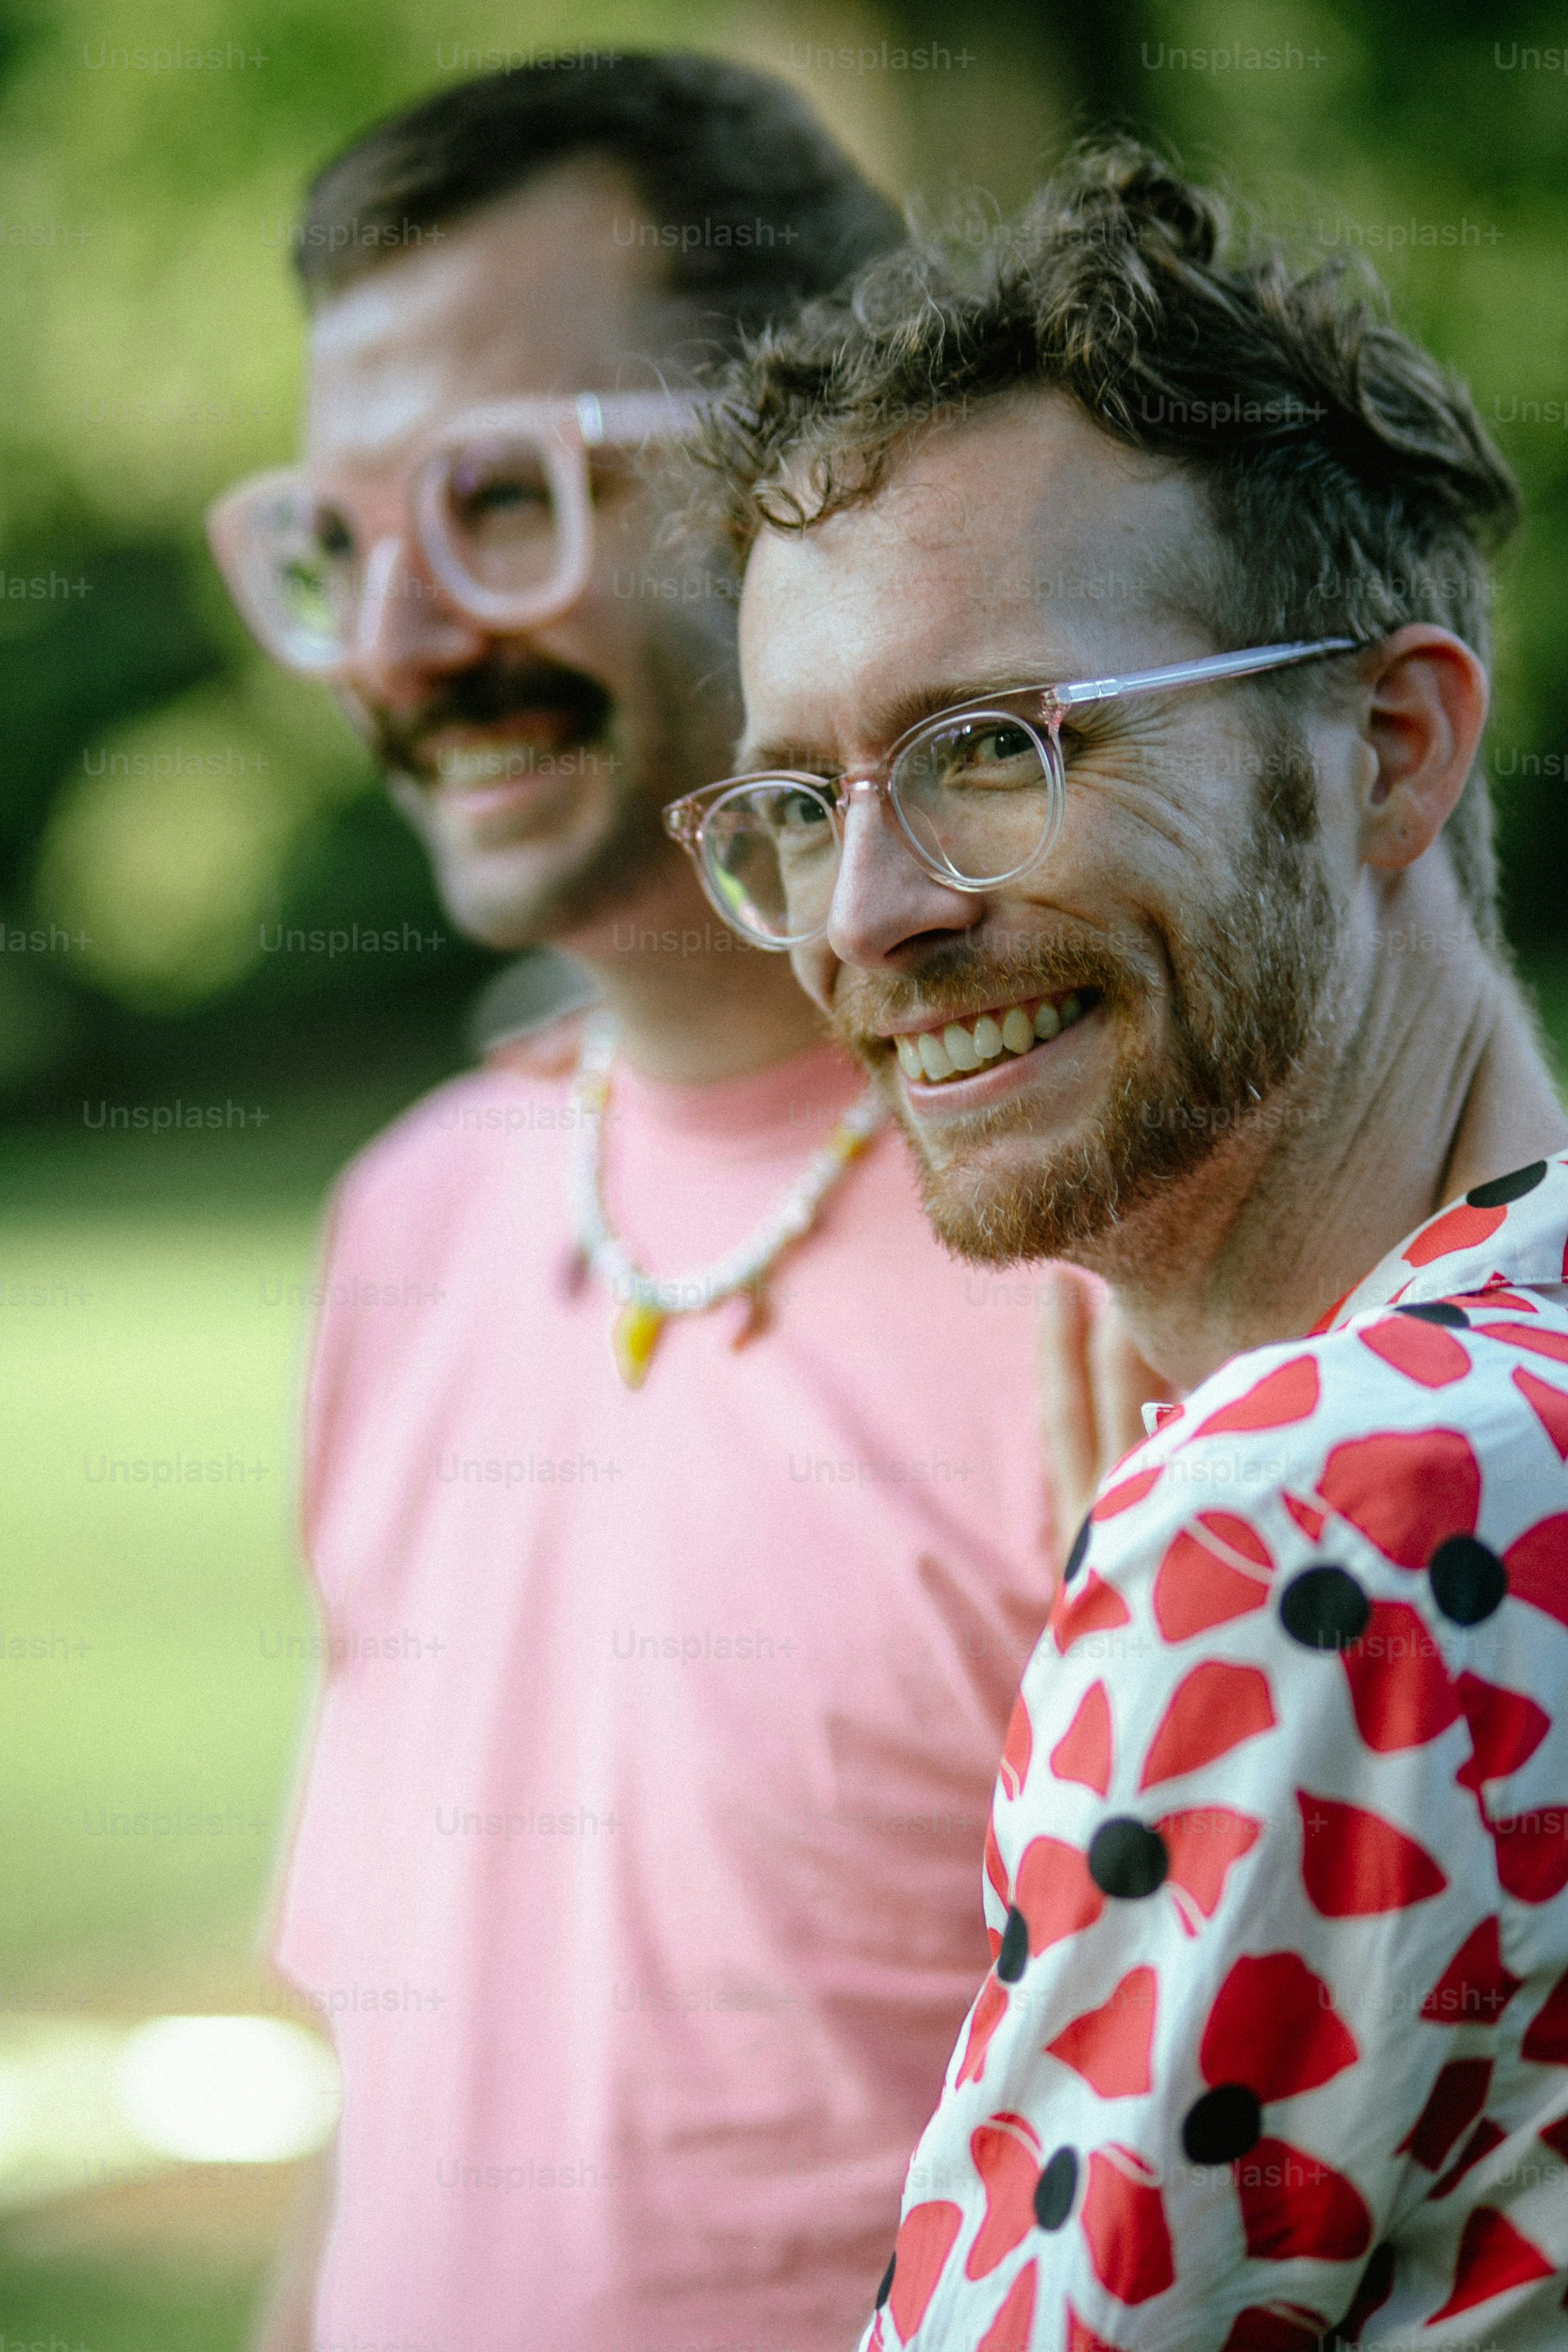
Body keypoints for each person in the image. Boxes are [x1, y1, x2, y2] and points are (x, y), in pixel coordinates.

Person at [677, 143, 1568, 2346]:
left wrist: (1219, 1537)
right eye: (796, 806)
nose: (863, 916)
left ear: (1387, 747)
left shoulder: (1322, 1524)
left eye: (995, 750)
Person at [214, 57, 1062, 2352]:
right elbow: (383, 2081)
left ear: (811, 475)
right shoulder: (415, 1223)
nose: (396, 646)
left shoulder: (1113, 1249)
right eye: (337, 533)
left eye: (499, 503)